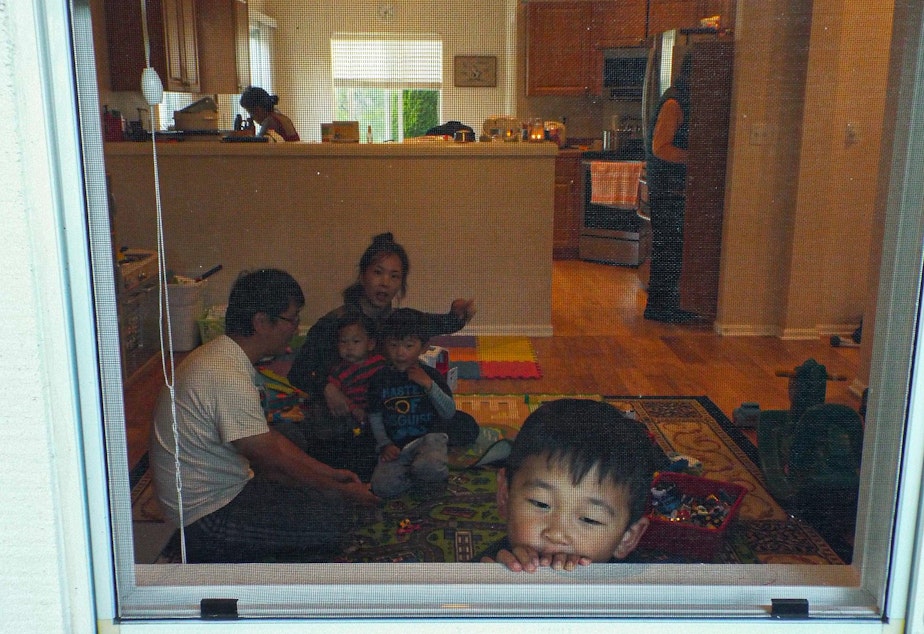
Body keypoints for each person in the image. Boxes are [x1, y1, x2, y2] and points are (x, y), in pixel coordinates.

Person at [148, 268, 378, 563]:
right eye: (291, 319)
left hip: (229, 487)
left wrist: (328, 473)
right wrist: (340, 491)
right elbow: (270, 459)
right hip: (205, 520)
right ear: (260, 322)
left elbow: (270, 442)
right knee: (335, 517)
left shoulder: (224, 355)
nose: (295, 327)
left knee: (300, 452)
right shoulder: (225, 375)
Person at [287, 232, 476, 416]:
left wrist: (458, 315)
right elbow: (298, 373)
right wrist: (327, 388)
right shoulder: (335, 323)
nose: (385, 283)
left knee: (457, 419)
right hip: (351, 408)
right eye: (378, 273)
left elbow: (435, 323)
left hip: (392, 401)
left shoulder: (396, 320)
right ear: (362, 276)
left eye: (394, 276)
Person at [479, 398, 667, 573]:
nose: (557, 533)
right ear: (505, 495)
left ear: (627, 538)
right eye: (541, 503)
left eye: (589, 519)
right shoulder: (485, 575)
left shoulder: (644, 594)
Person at [367, 308, 480, 498]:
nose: (400, 353)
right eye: (393, 345)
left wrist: (428, 384)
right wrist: (384, 444)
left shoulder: (431, 375)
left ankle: (427, 477)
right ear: (384, 345)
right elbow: (375, 415)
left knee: (430, 465)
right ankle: (417, 479)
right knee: (381, 486)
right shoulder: (380, 378)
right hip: (397, 446)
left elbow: (448, 412)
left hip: (429, 439)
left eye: (409, 346)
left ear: (424, 347)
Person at [643, 53, 697, 323]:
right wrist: (694, 157)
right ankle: (660, 308)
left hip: (669, 186)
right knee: (668, 247)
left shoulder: (678, 98)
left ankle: (663, 307)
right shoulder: (674, 103)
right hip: (667, 187)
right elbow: (660, 147)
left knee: (670, 247)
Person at [320, 311, 387, 479]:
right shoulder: (338, 371)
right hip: (353, 417)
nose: (349, 347)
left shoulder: (379, 363)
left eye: (356, 341)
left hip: (379, 411)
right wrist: (353, 408)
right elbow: (335, 396)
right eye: (343, 342)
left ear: (370, 344)